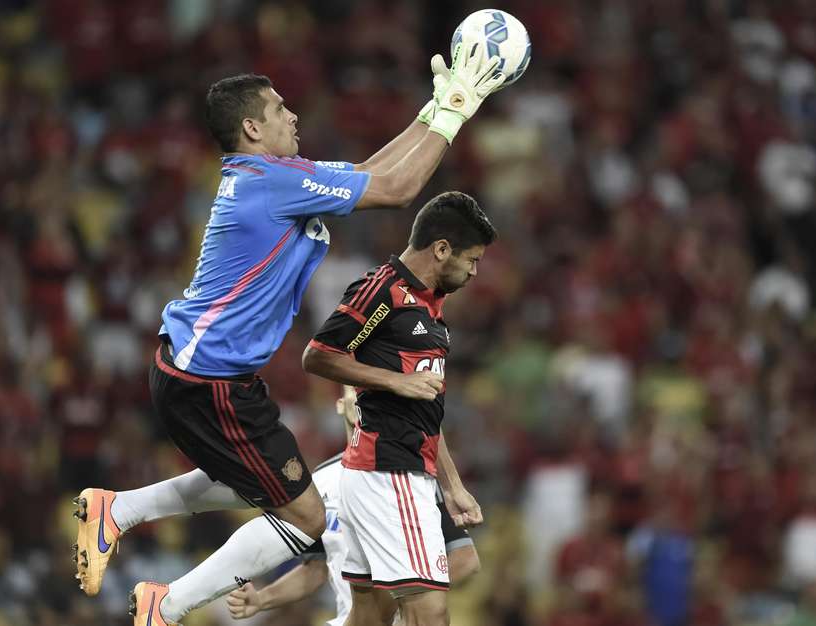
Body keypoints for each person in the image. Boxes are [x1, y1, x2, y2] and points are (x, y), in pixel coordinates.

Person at [72, 37, 505, 626]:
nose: (293, 114)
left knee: (273, 484)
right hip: (210, 382)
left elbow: (370, 173)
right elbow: (399, 191)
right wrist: (456, 113)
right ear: (252, 128)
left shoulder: (276, 176)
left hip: (206, 375)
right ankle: (162, 606)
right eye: (279, 109)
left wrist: (434, 111)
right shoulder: (270, 184)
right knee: (306, 516)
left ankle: (119, 515)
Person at [302, 190, 496, 626]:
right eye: (472, 259)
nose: (474, 271)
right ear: (442, 249)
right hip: (388, 473)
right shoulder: (384, 289)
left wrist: (452, 485)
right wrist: (397, 381)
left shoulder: (432, 308)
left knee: (367, 617)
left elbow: (425, 409)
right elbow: (318, 354)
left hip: (398, 472)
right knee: (430, 612)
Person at [225, 385, 481, 625]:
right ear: (342, 405)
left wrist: (408, 597)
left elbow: (464, 560)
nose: (365, 401)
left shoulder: (415, 473)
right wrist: (262, 599)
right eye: (358, 393)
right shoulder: (320, 480)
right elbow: (315, 569)